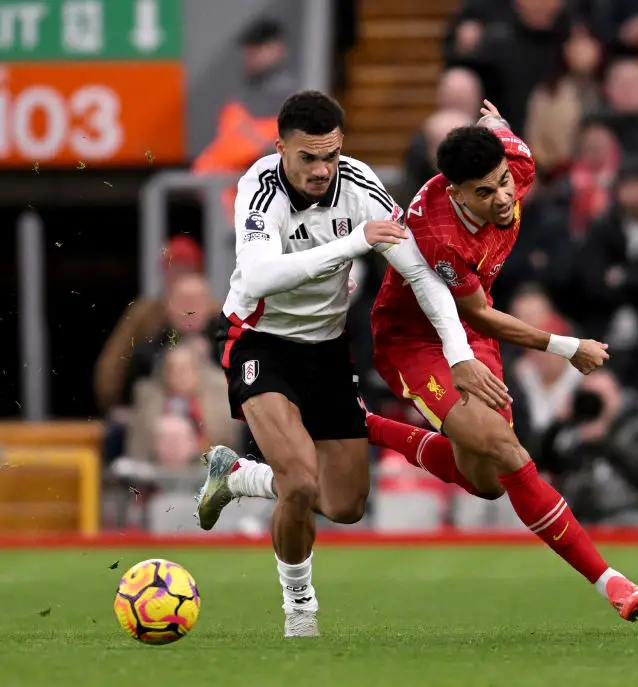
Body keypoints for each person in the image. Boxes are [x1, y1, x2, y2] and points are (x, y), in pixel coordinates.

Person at [193, 90, 507, 639]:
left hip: (328, 349)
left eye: (331, 156)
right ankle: (300, 608)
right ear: (281, 149)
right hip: (259, 342)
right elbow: (262, 276)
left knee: (345, 504)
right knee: (299, 483)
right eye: (308, 157)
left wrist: (458, 354)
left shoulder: (361, 186)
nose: (322, 170)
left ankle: (239, 476)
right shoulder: (258, 188)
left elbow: (420, 275)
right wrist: (353, 244)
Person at [367, 101, 638, 622]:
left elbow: (502, 137)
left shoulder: (516, 164)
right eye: (485, 192)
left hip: (471, 333)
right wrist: (569, 347)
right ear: (454, 192)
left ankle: (363, 422)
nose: (503, 197)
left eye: (503, 182)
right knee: (507, 449)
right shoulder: (436, 236)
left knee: (487, 481)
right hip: (415, 343)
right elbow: (483, 314)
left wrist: (493, 124)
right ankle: (610, 581)